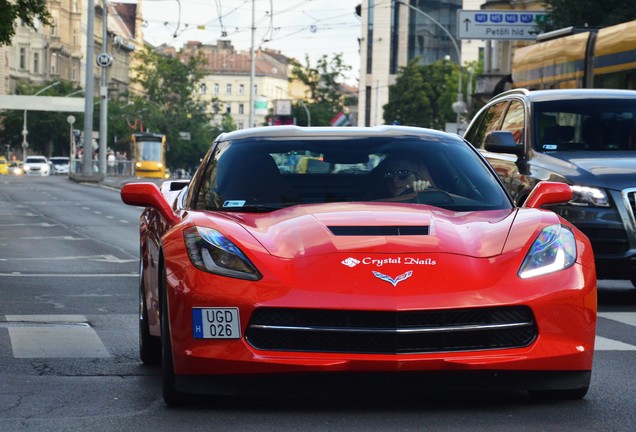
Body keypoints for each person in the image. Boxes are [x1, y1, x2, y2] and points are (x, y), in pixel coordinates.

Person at [366, 154, 432, 200]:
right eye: (389, 174)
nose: (395, 180)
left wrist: (424, 195)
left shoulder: (429, 197)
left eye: (403, 173)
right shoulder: (374, 201)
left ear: (417, 177)